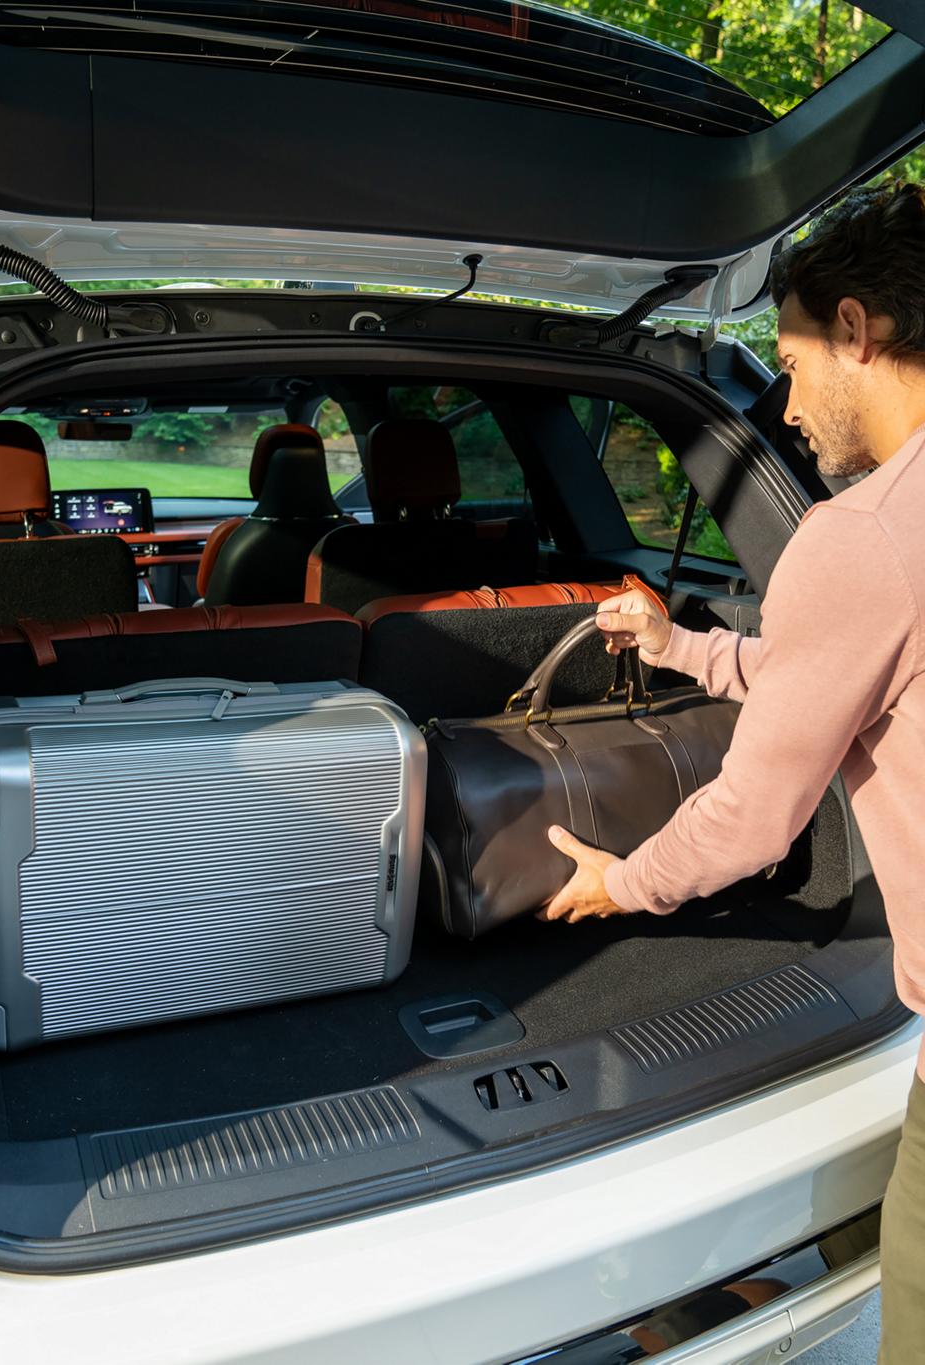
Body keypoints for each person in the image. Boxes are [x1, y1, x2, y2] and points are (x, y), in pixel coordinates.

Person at [540, 181, 925, 1365]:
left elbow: (758, 817)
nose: (786, 401)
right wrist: (679, 649)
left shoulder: (863, 534)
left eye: (789, 356)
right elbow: (855, 671)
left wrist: (623, 886)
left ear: (855, 332)